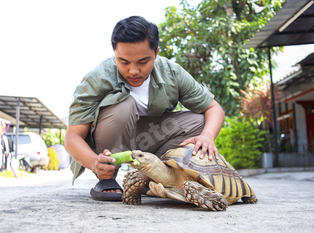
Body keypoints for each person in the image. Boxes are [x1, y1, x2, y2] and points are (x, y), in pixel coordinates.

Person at [64, 16, 225, 201]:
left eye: (143, 62)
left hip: (151, 138)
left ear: (156, 53)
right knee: (124, 106)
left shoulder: (172, 72)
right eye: (124, 62)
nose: (133, 71)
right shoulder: (96, 79)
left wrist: (208, 136)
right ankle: (107, 179)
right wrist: (94, 162)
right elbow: (72, 137)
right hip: (112, 142)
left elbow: (214, 108)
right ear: (114, 53)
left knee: (202, 122)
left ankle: (153, 177)